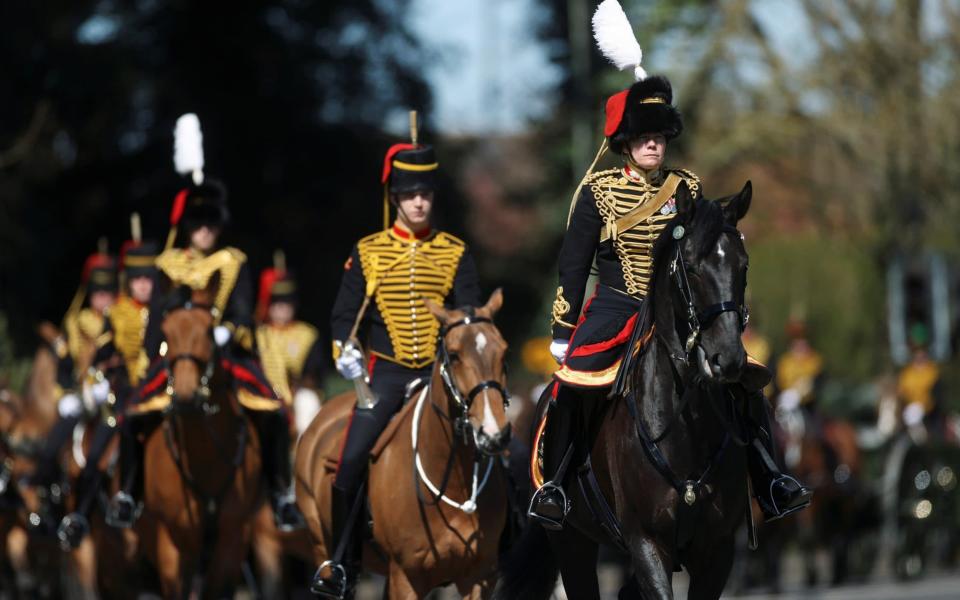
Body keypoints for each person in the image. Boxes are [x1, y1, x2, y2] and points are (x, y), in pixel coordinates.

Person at [527, 66, 811, 528]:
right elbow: (574, 266)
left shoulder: (687, 188)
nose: (653, 144)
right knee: (570, 385)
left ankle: (769, 477)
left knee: (744, 377)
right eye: (643, 136)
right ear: (625, 141)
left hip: (679, 312)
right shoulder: (597, 193)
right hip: (617, 306)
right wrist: (563, 328)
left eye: (660, 135)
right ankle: (556, 484)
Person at [106, 114, 303, 532]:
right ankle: (129, 492)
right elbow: (157, 319)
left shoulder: (235, 263)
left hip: (225, 354)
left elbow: (244, 313)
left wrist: (223, 331)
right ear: (189, 226)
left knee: (272, 407)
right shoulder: (168, 264)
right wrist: (156, 354)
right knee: (132, 414)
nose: (205, 231)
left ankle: (280, 492)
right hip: (176, 354)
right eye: (199, 223)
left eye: (211, 223)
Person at [312, 138, 481, 599]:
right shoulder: (368, 252)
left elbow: (468, 316)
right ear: (395, 199)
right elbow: (345, 315)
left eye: (425, 193)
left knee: (493, 448)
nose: (419, 201)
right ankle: (342, 562)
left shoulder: (454, 251)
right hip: (386, 373)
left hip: (439, 375)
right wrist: (343, 350)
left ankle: (501, 540)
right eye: (410, 194)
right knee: (347, 464)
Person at [57, 238, 159, 549]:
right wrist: (102, 377)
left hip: (160, 392)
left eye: (148, 279)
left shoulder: (165, 310)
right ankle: (83, 513)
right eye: (138, 279)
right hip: (126, 394)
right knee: (97, 452)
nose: (143, 286)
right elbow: (102, 354)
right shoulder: (116, 312)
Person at [28, 249, 117, 529]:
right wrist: (67, 392)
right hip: (80, 394)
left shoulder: (120, 321)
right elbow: (67, 366)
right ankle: (49, 496)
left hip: (112, 396)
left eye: (108, 293)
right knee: (51, 445)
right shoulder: (76, 323)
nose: (103, 299)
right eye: (98, 293)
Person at [255, 259, 327, 436]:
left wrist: (292, 395)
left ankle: (303, 457)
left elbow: (314, 375)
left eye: (286, 304)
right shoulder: (258, 335)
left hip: (297, 394)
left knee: (308, 403)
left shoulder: (307, 335)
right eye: (277, 304)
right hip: (262, 393)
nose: (281, 308)